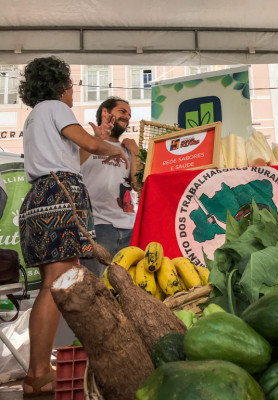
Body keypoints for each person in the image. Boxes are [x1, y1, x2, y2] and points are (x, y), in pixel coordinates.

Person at [17, 56, 128, 397]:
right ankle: (38, 373)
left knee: (51, 284)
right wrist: (119, 150)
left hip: (42, 196)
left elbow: (74, 158)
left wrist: (98, 140)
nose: (72, 91)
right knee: (56, 284)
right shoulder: (55, 107)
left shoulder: (36, 116)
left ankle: (38, 372)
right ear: (60, 86)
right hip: (60, 196)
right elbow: (91, 146)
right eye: (70, 85)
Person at [80, 97, 140, 277]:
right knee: (96, 285)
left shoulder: (128, 149)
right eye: (122, 111)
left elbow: (138, 185)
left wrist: (135, 152)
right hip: (96, 226)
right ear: (105, 112)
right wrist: (96, 139)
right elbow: (72, 165)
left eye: (129, 114)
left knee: (129, 286)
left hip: (129, 226)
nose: (127, 117)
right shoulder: (86, 143)